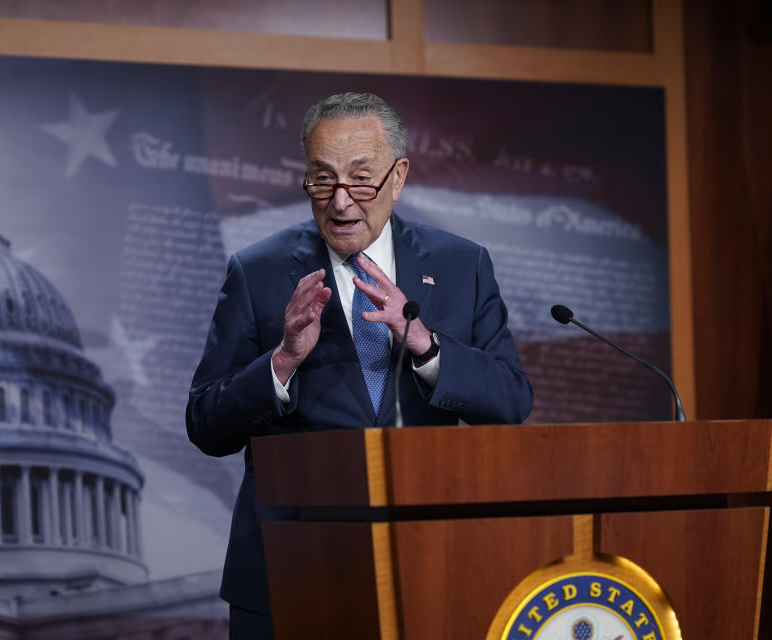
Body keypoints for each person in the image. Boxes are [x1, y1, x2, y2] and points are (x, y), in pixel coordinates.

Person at [186, 92, 533, 638]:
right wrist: (282, 362)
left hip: (428, 563)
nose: (341, 202)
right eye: (321, 180)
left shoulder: (460, 264)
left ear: (398, 178)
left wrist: (424, 344)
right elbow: (205, 421)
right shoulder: (258, 271)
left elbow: (511, 401)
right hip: (288, 571)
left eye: (361, 180)